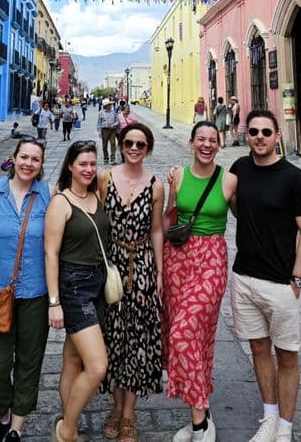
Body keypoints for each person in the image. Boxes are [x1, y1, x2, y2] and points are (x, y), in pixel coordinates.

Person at [228, 110, 301, 442]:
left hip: (281, 284)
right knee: (258, 348)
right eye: (253, 131)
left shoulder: (295, 179)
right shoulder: (240, 168)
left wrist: (297, 280)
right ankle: (269, 418)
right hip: (244, 278)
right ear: (247, 135)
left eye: (266, 132)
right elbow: (234, 204)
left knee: (288, 356)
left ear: (277, 136)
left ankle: (285, 427)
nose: (259, 137)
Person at [162, 121, 238, 442]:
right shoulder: (178, 176)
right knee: (193, 339)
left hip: (211, 261)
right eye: (201, 139)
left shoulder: (229, 180)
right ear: (191, 143)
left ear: (219, 145)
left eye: (212, 140)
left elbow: (248, 217)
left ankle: (198, 423)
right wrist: (158, 267)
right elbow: (169, 218)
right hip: (177, 259)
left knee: (184, 332)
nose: (207, 145)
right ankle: (202, 411)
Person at [0, 136, 52, 442]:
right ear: (14, 157)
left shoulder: (47, 194)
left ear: (41, 164)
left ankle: (15, 428)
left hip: (35, 293)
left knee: (28, 362)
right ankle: (2, 414)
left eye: (35, 159)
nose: (28, 164)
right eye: (24, 157)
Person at [99, 123, 164, 442]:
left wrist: (159, 272)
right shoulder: (105, 178)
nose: (134, 148)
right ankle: (115, 405)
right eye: (129, 143)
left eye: (140, 144)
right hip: (111, 264)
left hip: (142, 264)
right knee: (112, 336)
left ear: (148, 148)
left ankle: (128, 413)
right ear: (121, 145)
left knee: (138, 337)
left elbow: (156, 229)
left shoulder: (156, 185)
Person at [44, 140, 109, 442]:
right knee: (97, 366)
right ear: (70, 165)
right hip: (74, 287)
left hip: (98, 285)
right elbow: (51, 254)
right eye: (82, 164)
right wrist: (54, 302)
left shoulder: (97, 193)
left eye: (93, 164)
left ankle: (65, 417)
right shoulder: (61, 202)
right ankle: (67, 429)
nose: (89, 169)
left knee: (72, 359)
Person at [97, 98, 119, 164]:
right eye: (109, 104)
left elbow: (117, 121)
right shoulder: (101, 113)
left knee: (113, 144)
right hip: (104, 130)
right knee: (104, 145)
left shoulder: (114, 112)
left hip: (112, 130)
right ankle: (106, 158)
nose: (110, 105)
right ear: (105, 106)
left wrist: (114, 125)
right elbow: (99, 123)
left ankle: (113, 158)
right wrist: (99, 132)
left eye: (110, 104)